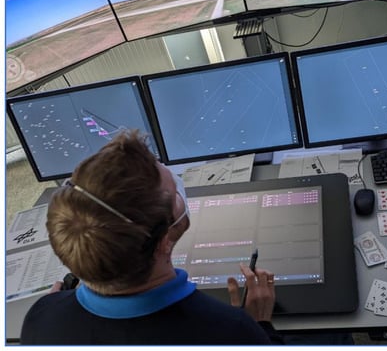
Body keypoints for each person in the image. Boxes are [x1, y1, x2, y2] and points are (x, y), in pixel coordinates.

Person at [20, 130, 282, 345]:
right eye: (174, 193)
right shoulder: (232, 331)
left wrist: (52, 309)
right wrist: (261, 326)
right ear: (163, 241)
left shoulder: (41, 318)